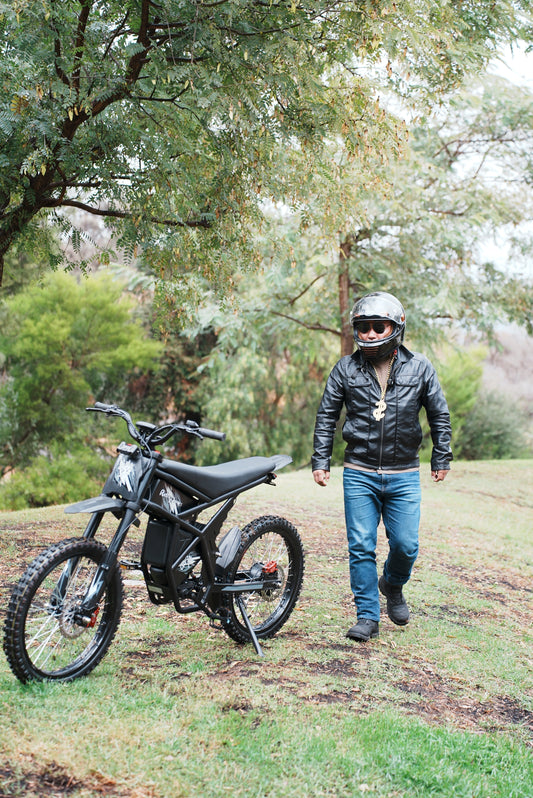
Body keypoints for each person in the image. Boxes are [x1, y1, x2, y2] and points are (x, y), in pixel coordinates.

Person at [312, 291, 452, 641]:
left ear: (396, 327)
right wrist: (321, 460)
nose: (371, 333)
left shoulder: (420, 367)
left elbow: (439, 413)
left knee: (406, 545)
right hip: (359, 473)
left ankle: (392, 583)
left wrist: (441, 455)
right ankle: (367, 617)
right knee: (361, 546)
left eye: (378, 326)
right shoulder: (345, 369)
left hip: (404, 474)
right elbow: (327, 416)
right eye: (364, 328)